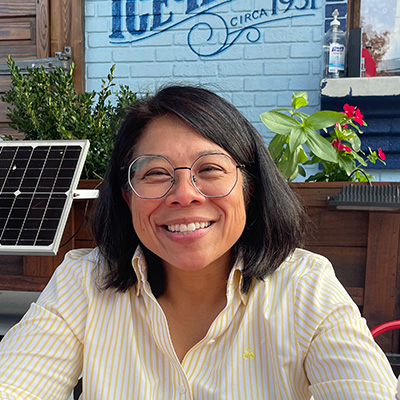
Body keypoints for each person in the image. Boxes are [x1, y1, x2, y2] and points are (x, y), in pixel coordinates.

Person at [0, 85, 396, 399]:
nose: (184, 194)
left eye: (210, 169)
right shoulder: (82, 283)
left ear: (249, 187)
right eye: (154, 174)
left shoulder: (307, 288)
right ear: (127, 196)